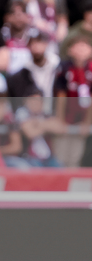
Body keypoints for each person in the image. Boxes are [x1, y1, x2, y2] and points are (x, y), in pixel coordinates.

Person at [54, 35, 92, 167]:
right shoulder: (64, 68)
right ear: (70, 50)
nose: (81, 49)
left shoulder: (91, 69)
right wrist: (60, 119)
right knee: (60, 157)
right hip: (66, 117)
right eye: (78, 45)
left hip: (82, 118)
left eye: (85, 45)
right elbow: (61, 95)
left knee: (75, 157)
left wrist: (87, 122)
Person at [16, 88, 64, 167]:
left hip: (49, 158)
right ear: (26, 101)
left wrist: (38, 124)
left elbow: (61, 128)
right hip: (30, 158)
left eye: (39, 100)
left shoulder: (45, 115)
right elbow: (30, 133)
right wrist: (47, 126)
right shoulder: (21, 114)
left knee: (61, 171)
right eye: (33, 100)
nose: (36, 103)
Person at [6, 28, 59, 99]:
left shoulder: (58, 67)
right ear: (28, 46)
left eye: (39, 42)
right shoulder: (24, 73)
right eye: (32, 43)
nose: (36, 46)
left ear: (46, 44)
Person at [2, 0, 33, 75]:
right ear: (7, 17)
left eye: (22, 12)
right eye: (14, 13)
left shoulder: (34, 36)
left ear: (28, 16)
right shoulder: (1, 35)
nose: (18, 16)